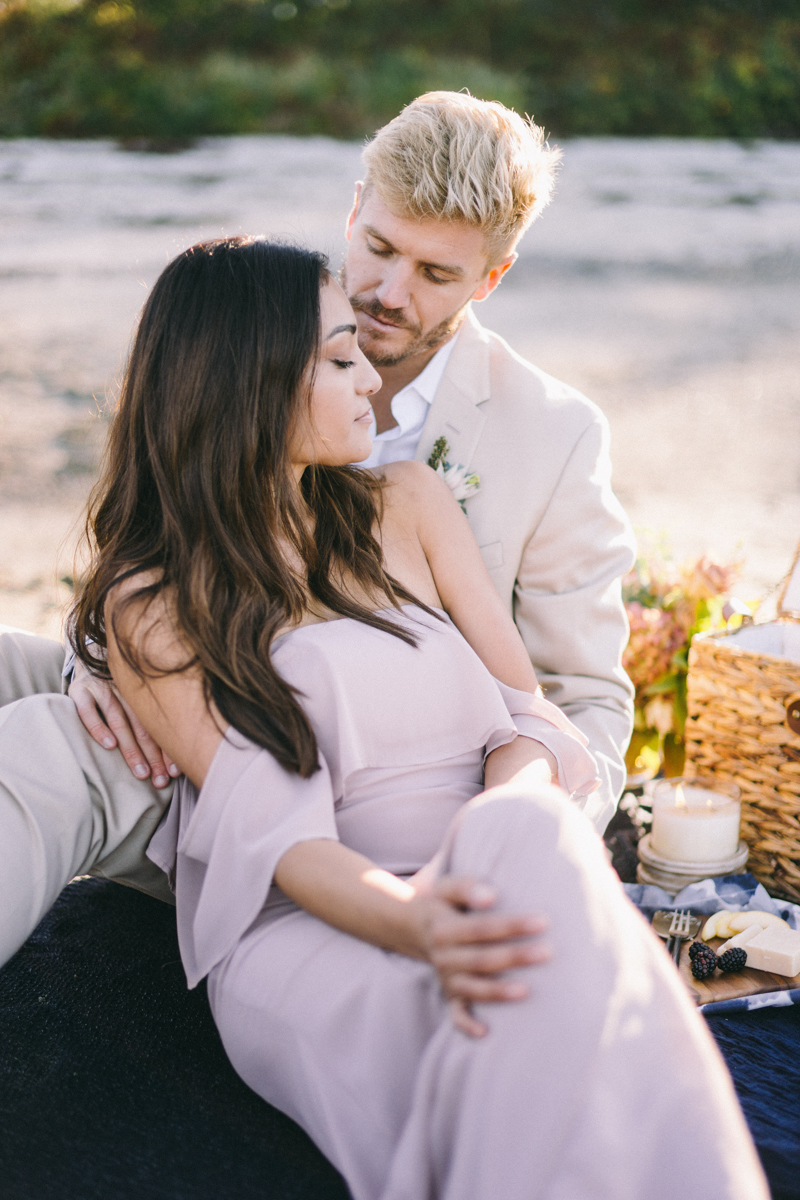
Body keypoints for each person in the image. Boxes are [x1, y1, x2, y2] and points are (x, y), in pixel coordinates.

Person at [62, 234, 761, 1200]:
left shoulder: (408, 504)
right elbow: (276, 838)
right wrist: (420, 921)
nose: (371, 386)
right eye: (342, 358)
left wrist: (492, 829)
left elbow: (527, 720)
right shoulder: (157, 603)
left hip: (481, 867)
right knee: (496, 1017)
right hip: (316, 922)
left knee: (534, 844)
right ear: (253, 381)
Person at [0, 91, 634, 960]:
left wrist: (514, 839)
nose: (387, 293)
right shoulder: (264, 318)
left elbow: (583, 698)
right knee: (17, 665)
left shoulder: (554, 435)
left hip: (374, 793)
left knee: (47, 746)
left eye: (437, 275)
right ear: (354, 209)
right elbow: (152, 532)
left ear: (493, 277)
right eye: (378, 248)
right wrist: (102, 666)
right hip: (208, 694)